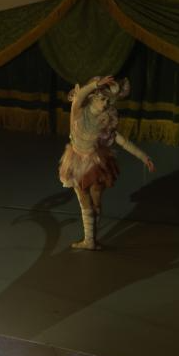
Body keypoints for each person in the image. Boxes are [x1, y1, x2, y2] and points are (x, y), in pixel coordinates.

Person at [59, 75, 155, 250]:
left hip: (96, 164)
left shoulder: (105, 120)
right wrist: (95, 84)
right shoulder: (79, 111)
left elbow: (123, 141)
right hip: (76, 160)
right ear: (92, 98)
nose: (106, 104)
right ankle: (89, 240)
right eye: (102, 99)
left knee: (96, 202)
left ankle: (91, 239)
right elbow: (80, 96)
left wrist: (144, 157)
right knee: (84, 199)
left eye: (108, 101)